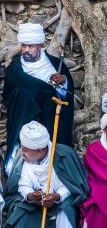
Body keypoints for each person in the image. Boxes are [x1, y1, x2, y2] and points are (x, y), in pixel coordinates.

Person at [4, 121, 88, 228]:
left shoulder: (63, 154)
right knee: (20, 207)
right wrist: (30, 195)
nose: (21, 151)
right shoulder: (22, 157)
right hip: (36, 203)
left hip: (59, 201)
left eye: (26, 149)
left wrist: (56, 196)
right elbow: (22, 184)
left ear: (39, 150)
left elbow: (71, 186)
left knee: (66, 209)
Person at [3, 23, 74, 175]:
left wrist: (63, 83)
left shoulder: (55, 65)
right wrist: (32, 95)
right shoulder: (13, 70)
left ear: (40, 44)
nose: (26, 50)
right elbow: (8, 99)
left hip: (49, 120)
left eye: (31, 46)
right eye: (24, 46)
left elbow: (66, 98)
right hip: (24, 120)